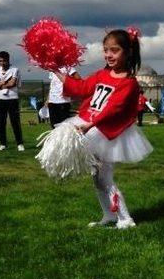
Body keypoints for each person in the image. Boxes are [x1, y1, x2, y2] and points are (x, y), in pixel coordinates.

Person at [52, 29, 153, 229]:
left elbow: (114, 107)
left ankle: (125, 219)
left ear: (128, 52)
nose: (108, 55)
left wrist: (91, 124)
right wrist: (57, 72)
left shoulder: (128, 83)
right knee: (97, 178)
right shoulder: (101, 74)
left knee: (105, 178)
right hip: (90, 126)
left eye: (114, 50)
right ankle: (109, 215)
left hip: (105, 133)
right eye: (105, 50)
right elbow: (81, 88)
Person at [0, 51, 24, 151]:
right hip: (1, 100)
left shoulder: (15, 70)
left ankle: (19, 144)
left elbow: (12, 83)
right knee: (1, 123)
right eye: (0, 61)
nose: (2, 63)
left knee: (15, 122)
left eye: (4, 61)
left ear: (8, 60)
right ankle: (3, 143)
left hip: (12, 99)